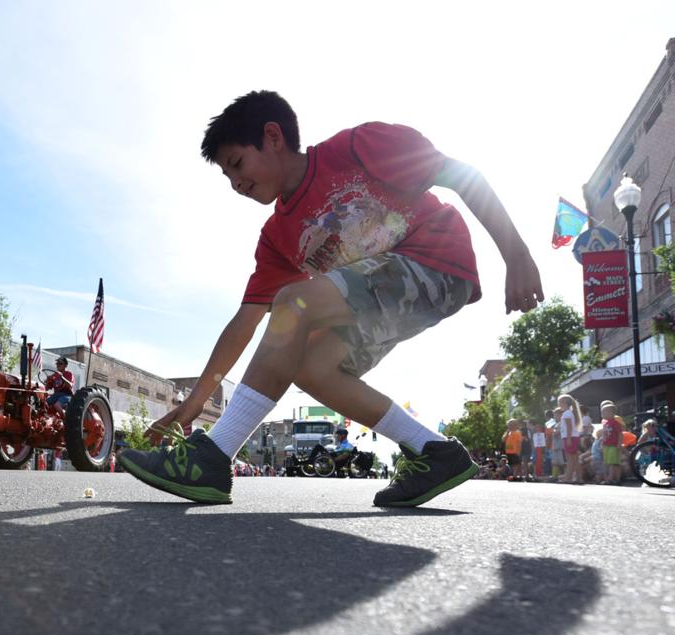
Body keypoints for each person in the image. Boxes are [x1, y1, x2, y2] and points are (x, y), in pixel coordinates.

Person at [118, 90, 543, 505]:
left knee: (293, 303)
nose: (235, 183)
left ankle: (214, 457)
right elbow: (244, 323)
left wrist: (516, 254)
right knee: (311, 368)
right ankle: (434, 451)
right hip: (385, 294)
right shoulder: (276, 238)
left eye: (236, 164)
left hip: (436, 262)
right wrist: (195, 401)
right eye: (227, 177)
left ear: (273, 136)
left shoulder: (358, 147)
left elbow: (461, 174)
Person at [558, 395, 583, 484]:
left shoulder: (567, 413)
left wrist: (568, 438)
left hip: (570, 437)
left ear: (565, 403)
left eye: (560, 402)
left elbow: (569, 427)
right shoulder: (569, 413)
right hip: (572, 437)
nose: (558, 404)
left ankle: (568, 478)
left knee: (570, 459)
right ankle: (579, 478)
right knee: (574, 459)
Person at [599, 399, 623, 485]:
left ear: (611, 413)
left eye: (604, 412)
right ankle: (615, 478)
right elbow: (604, 435)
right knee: (610, 462)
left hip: (614, 445)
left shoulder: (615, 423)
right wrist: (602, 444)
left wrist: (619, 444)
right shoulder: (605, 423)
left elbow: (620, 434)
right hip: (607, 445)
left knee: (613, 462)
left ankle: (611, 478)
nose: (602, 415)